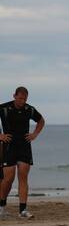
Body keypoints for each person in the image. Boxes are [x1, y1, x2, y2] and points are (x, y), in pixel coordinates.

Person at [0, 87, 45, 219]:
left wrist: (35, 134)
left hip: (24, 146)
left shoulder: (29, 109)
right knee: (8, 178)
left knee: (23, 177)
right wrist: (0, 135)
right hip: (9, 146)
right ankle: (1, 207)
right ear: (14, 96)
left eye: (24, 99)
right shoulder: (4, 108)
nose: (22, 101)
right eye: (20, 98)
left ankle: (23, 210)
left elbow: (41, 121)